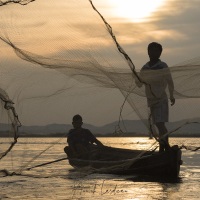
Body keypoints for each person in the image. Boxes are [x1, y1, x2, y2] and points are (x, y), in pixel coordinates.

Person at [136, 42, 175, 152]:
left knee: (160, 124)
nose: (153, 53)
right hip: (151, 100)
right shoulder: (145, 67)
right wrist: (135, 77)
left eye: (155, 51)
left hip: (161, 99)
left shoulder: (163, 66)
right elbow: (139, 84)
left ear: (160, 53)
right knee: (158, 125)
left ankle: (165, 147)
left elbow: (170, 81)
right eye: (151, 50)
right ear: (148, 52)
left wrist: (172, 95)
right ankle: (163, 148)